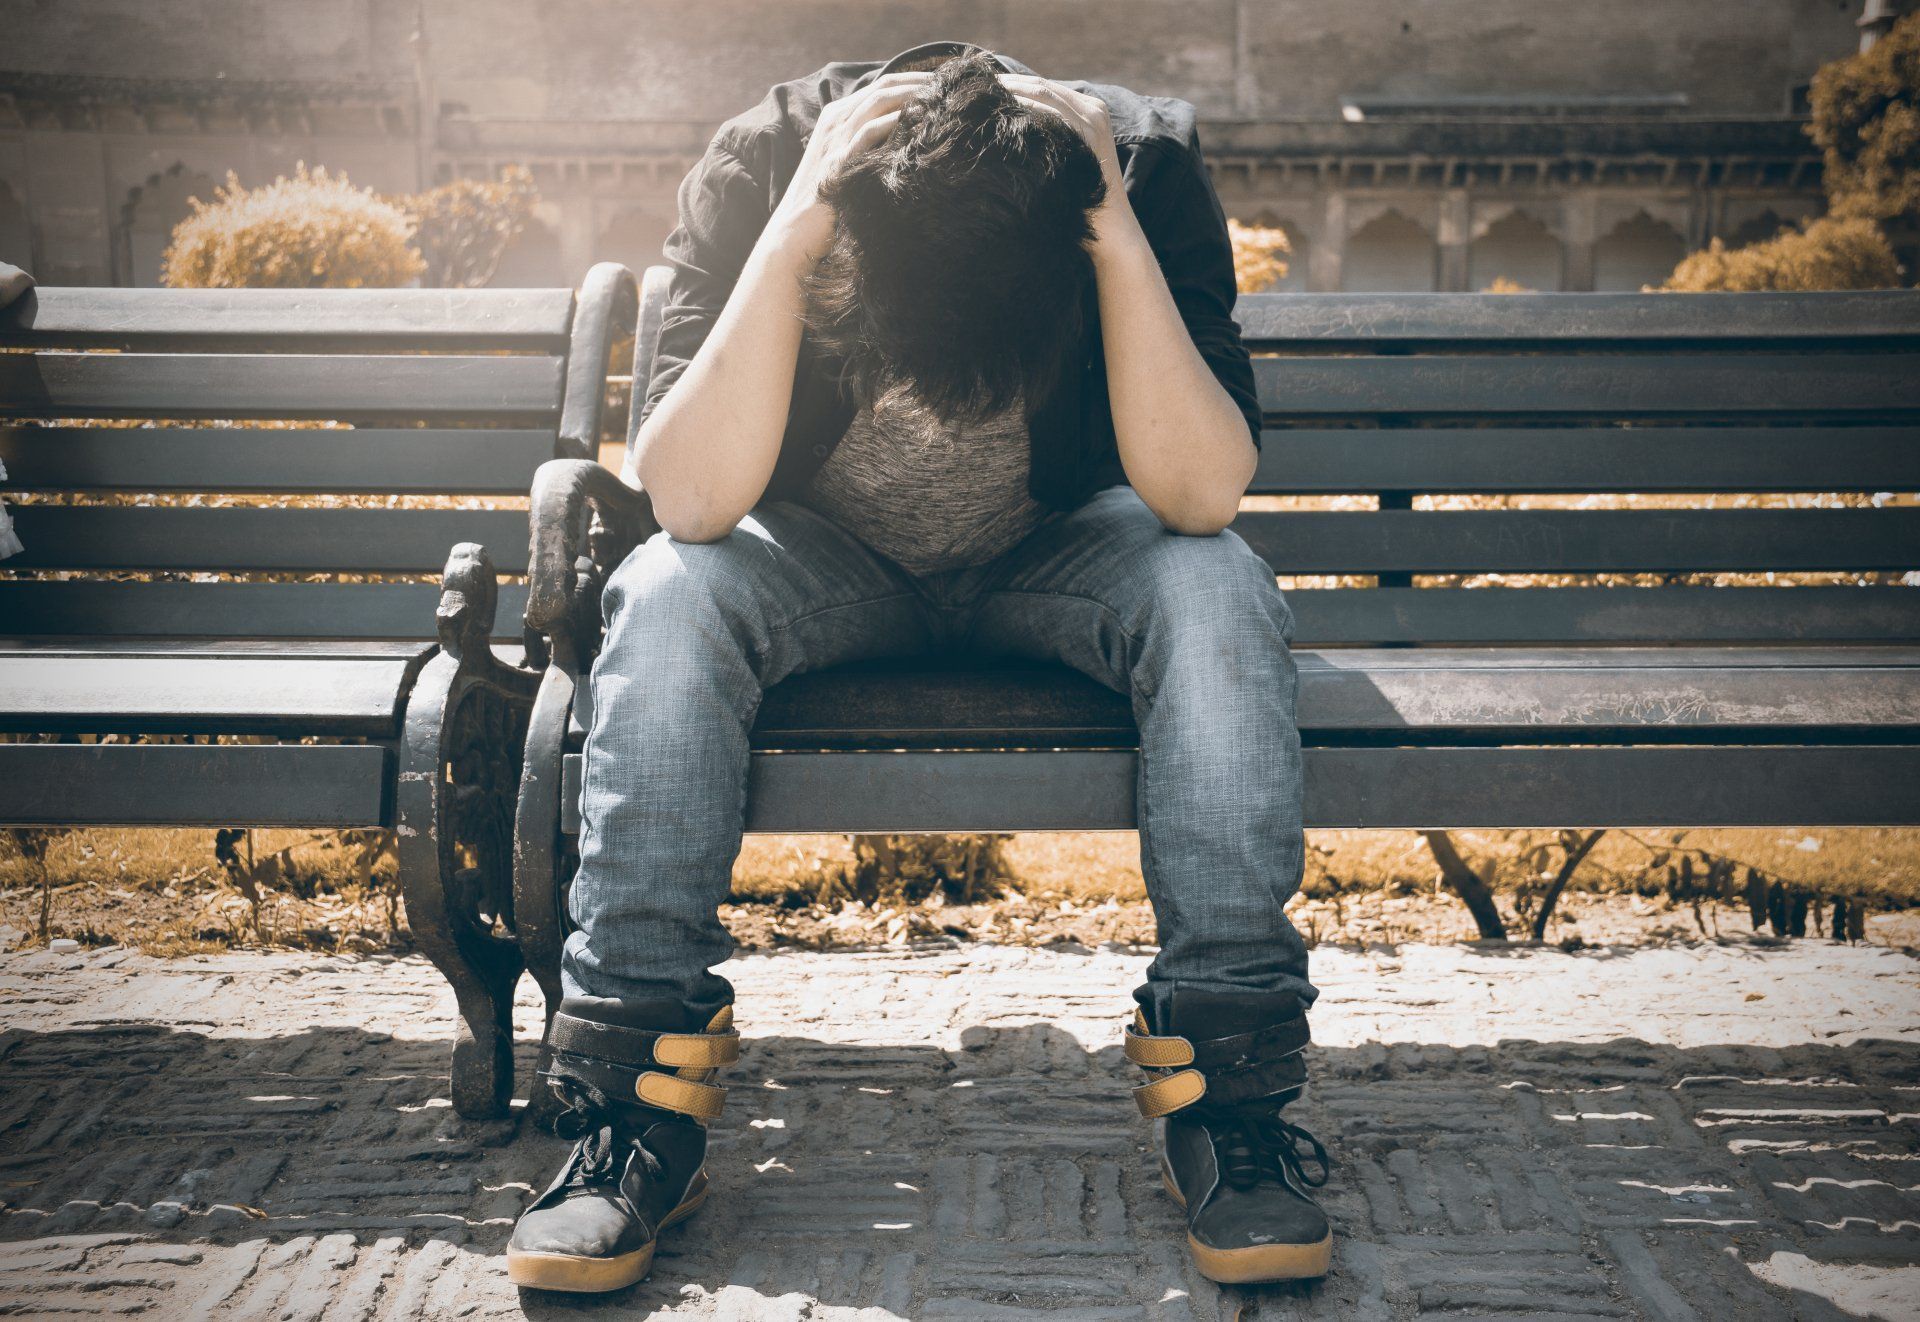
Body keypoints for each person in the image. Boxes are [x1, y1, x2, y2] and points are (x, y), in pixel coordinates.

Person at [505, 39, 1330, 1295]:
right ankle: (627, 1110)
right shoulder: (764, 165)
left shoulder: (1141, 171)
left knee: (1215, 587)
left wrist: (1109, 235)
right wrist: (792, 236)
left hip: (1061, 549)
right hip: (821, 557)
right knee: (667, 594)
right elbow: (688, 495)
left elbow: (1201, 491)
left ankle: (1232, 1097)